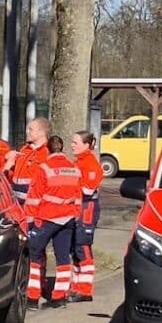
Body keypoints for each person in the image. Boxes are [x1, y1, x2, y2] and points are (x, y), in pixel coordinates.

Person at [23, 134, 82, 310]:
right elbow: (79, 197)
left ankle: (32, 297)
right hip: (68, 219)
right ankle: (59, 297)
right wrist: (75, 215)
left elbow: (34, 198)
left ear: (48, 149)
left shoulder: (44, 168)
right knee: (63, 257)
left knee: (33, 254)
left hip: (46, 218)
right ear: (62, 149)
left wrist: (29, 222)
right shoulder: (74, 169)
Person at [70, 129, 104, 302]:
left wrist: (70, 186)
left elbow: (88, 190)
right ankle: (75, 286)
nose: (72, 145)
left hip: (87, 208)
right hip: (78, 208)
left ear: (86, 145)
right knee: (76, 247)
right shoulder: (79, 162)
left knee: (83, 246)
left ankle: (85, 290)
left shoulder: (90, 164)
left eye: (75, 142)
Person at [6, 117, 51, 205]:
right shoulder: (24, 149)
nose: (27, 132)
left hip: (35, 205)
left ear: (42, 132)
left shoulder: (47, 153)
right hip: (17, 204)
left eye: (31, 129)